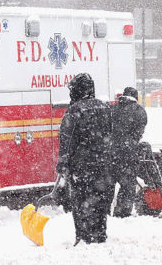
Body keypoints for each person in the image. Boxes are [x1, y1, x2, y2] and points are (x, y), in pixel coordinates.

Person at [56, 73, 115, 245]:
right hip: (103, 165)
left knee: (82, 203)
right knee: (100, 202)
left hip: (82, 167)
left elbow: (66, 140)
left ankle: (83, 237)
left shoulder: (74, 111)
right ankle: (100, 234)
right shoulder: (105, 108)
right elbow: (111, 135)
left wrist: (63, 163)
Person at [111, 86, 148, 218]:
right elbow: (138, 134)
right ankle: (122, 213)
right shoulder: (139, 111)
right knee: (127, 185)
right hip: (127, 155)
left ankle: (103, 212)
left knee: (107, 184)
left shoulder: (112, 109)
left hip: (108, 154)